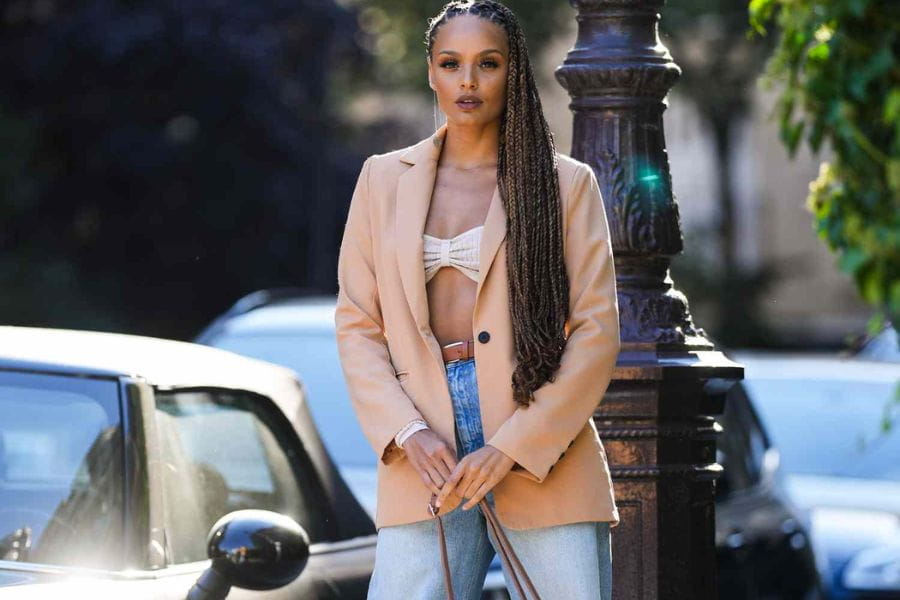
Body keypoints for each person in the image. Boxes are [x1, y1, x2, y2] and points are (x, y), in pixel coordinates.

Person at [334, 1, 621, 598]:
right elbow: (358, 324)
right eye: (451, 63)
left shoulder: (565, 185)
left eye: (487, 64)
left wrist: (512, 444)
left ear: (512, 71)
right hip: (425, 452)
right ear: (431, 73)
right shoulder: (383, 179)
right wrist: (407, 431)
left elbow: (596, 331)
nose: (468, 81)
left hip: (538, 435)